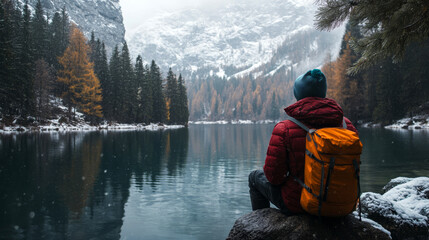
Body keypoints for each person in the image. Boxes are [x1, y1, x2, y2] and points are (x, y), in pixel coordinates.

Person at [248, 69, 357, 215]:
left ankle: (260, 224)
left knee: (254, 177)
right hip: (343, 204)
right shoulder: (347, 125)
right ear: (323, 93)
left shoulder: (284, 128)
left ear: (298, 94)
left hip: (300, 205)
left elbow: (274, 177)